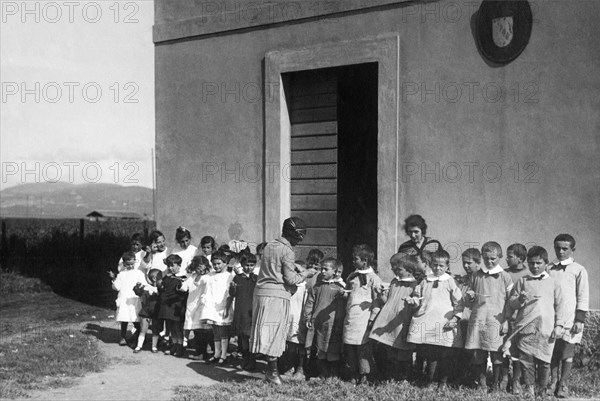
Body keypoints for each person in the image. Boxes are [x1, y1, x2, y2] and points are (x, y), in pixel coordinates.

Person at [249, 217, 317, 385]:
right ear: (297, 234)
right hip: (276, 296)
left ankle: (270, 371)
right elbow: (291, 280)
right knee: (275, 333)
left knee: (266, 333)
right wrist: (306, 273)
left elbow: (275, 265)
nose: (301, 240)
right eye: (301, 235)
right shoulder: (288, 251)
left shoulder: (270, 245)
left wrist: (295, 266)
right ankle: (272, 374)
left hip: (261, 294)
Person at [508, 246, 567, 396]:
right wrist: (519, 300)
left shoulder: (554, 283)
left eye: (538, 263)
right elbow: (512, 303)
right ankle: (529, 389)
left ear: (545, 263)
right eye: (531, 263)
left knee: (544, 362)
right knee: (526, 361)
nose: (534, 266)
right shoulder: (523, 281)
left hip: (545, 328)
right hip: (525, 327)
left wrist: (559, 325)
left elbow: (560, 305)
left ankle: (542, 389)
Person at [406, 250, 463, 389]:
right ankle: (430, 381)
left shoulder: (450, 282)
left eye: (441, 266)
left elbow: (459, 303)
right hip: (428, 322)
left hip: (445, 324)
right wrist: (412, 301)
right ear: (430, 264)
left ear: (447, 267)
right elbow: (418, 298)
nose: (437, 268)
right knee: (431, 354)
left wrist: (455, 318)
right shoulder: (425, 281)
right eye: (435, 265)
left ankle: (442, 382)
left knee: (445, 355)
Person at [464, 242, 513, 392]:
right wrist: (470, 296)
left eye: (493, 258)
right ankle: (482, 383)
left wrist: (506, 321)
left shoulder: (505, 277)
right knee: (478, 352)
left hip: (496, 321)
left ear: (500, 257)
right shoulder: (476, 275)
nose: (489, 262)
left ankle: (497, 384)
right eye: (486, 258)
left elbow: (510, 302)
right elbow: (470, 298)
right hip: (479, 319)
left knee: (497, 354)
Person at [547, 234, 589, 398]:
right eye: (558, 248)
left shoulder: (579, 269)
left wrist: (579, 319)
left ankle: (563, 383)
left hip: (570, 318)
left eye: (565, 248)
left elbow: (583, 295)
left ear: (572, 249)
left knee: (567, 351)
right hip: (552, 317)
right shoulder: (549, 268)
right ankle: (552, 382)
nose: (561, 251)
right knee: (552, 351)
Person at [369, 254, 418, 381]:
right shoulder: (395, 282)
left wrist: (412, 302)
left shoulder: (415, 285)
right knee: (389, 348)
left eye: (398, 269)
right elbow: (388, 301)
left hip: (402, 321)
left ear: (409, 271)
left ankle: (404, 377)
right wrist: (380, 295)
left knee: (403, 350)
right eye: (393, 268)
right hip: (388, 320)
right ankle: (390, 375)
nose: (395, 271)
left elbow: (417, 304)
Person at [343, 244, 382, 385]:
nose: (353, 261)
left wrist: (372, 319)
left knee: (363, 348)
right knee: (350, 346)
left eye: (356, 259)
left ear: (365, 261)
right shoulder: (352, 276)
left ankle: (365, 375)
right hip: (351, 318)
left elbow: (377, 301)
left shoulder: (374, 279)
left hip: (364, 319)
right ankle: (353, 374)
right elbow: (348, 293)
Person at [304, 258, 347, 379]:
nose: (322, 271)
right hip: (318, 324)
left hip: (333, 325)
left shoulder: (340, 287)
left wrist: (343, 295)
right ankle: (323, 373)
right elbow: (310, 303)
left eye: (326, 269)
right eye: (321, 269)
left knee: (332, 349)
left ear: (334, 271)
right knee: (320, 349)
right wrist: (308, 318)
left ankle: (333, 375)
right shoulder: (317, 286)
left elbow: (344, 305)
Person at [502, 243, 530, 392]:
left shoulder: (528, 275)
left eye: (510, 256)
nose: (506, 259)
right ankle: (503, 378)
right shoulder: (503, 274)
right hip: (504, 319)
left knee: (518, 351)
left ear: (520, 258)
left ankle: (516, 380)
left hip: (520, 320)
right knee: (504, 350)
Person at [201, 251, 234, 365]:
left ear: (225, 263)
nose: (216, 266)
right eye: (214, 264)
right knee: (215, 332)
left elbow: (230, 294)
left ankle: (224, 356)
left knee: (223, 331)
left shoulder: (229, 276)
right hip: (212, 308)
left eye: (219, 263)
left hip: (223, 307)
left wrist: (226, 307)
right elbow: (207, 290)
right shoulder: (210, 275)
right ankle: (216, 354)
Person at [280, 260, 309, 379]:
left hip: (301, 319)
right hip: (289, 319)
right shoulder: (288, 286)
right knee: (290, 345)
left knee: (302, 345)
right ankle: (290, 366)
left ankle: (300, 368)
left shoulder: (307, 287)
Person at [108, 251, 145, 346]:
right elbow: (117, 287)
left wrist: (140, 286)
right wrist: (113, 279)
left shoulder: (138, 273)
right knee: (124, 319)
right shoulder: (121, 274)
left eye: (132, 264)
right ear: (124, 264)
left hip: (134, 299)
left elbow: (143, 284)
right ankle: (123, 337)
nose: (130, 266)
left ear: (135, 262)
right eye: (128, 264)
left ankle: (137, 338)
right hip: (124, 299)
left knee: (135, 319)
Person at [229, 253, 258, 370]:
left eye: (251, 265)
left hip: (251, 312)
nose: (249, 267)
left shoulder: (256, 278)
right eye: (246, 265)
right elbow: (232, 294)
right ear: (242, 265)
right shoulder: (237, 277)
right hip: (241, 311)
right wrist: (232, 287)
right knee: (242, 337)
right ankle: (245, 358)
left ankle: (252, 360)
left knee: (250, 336)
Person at [179, 255, 211, 357]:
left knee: (202, 330)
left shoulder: (208, 277)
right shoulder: (191, 276)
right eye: (198, 268)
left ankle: (203, 353)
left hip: (201, 306)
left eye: (203, 267)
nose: (201, 270)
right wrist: (178, 283)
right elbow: (184, 288)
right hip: (191, 306)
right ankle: (199, 352)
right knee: (196, 329)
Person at [157, 254, 186, 357]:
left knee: (178, 327)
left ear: (179, 265)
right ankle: (174, 344)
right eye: (168, 265)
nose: (170, 268)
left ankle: (180, 346)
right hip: (167, 305)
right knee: (171, 327)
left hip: (177, 306)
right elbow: (163, 289)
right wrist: (160, 285)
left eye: (172, 265)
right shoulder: (167, 277)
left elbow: (183, 291)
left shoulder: (183, 278)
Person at [132, 268, 162, 353]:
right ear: (154, 278)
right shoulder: (146, 288)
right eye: (160, 277)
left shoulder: (161, 289)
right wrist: (137, 287)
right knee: (143, 329)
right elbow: (137, 292)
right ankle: (139, 346)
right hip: (146, 312)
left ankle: (154, 346)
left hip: (156, 312)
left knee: (155, 330)